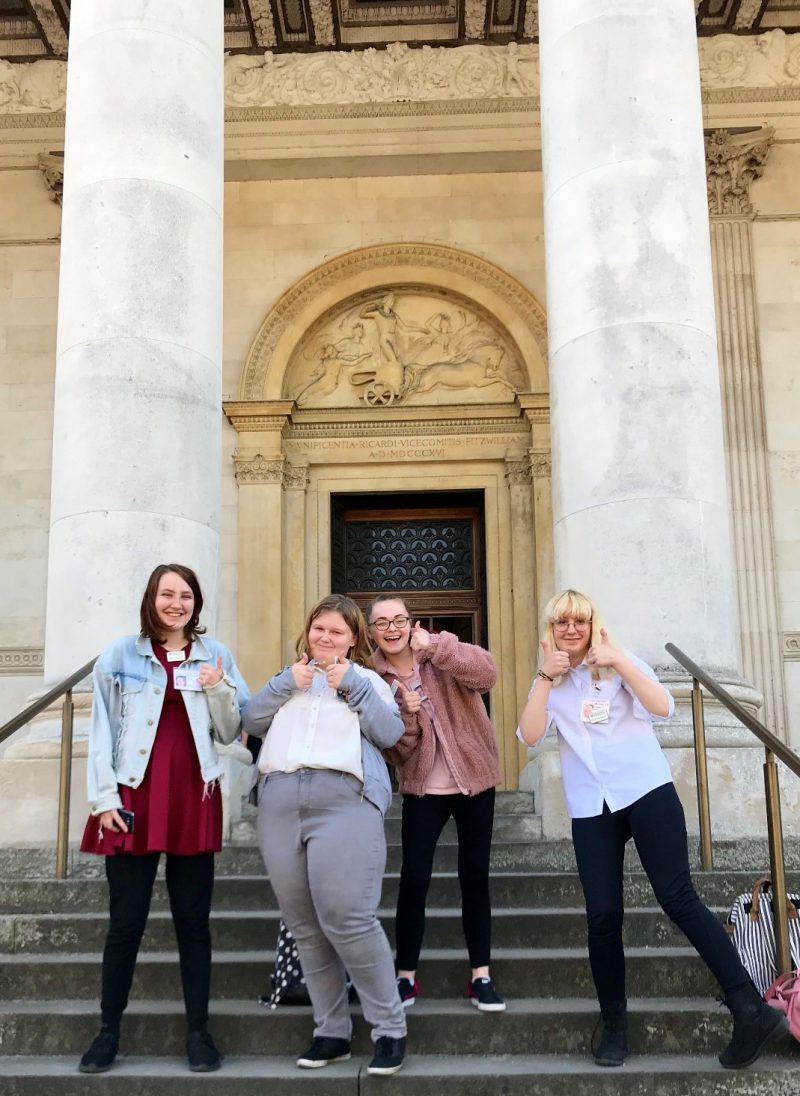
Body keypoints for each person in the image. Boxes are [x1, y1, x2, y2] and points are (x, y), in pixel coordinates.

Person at [517, 588, 788, 1070]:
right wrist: (543, 676)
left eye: (579, 620)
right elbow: (531, 735)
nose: (571, 629)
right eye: (561, 622)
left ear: (592, 623)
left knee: (678, 898)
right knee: (602, 915)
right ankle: (616, 1026)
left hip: (645, 793)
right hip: (591, 807)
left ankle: (750, 1008)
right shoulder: (552, 682)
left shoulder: (620, 663)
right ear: (551, 630)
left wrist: (619, 660)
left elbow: (663, 706)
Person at [78, 563, 250, 1075]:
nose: (177, 603)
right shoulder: (119, 655)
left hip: (193, 798)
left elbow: (231, 730)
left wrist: (219, 687)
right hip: (131, 799)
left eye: (186, 596)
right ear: (151, 598)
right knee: (125, 924)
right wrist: (103, 798)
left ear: (196, 603)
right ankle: (108, 1031)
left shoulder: (216, 655)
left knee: (194, 924)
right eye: (167, 594)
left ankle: (199, 1033)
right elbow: (101, 730)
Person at [242, 594, 408, 1076]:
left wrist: (352, 684)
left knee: (349, 918)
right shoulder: (287, 679)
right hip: (278, 798)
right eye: (320, 629)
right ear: (308, 632)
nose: (326, 638)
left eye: (337, 632)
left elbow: (390, 732)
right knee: (304, 926)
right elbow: (249, 722)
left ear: (354, 639)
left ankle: (389, 1028)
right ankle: (331, 1031)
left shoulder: (370, 679)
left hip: (343, 800)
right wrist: (280, 684)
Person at [368, 596, 505, 1012]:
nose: (392, 628)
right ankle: (405, 976)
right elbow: (397, 750)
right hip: (422, 788)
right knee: (414, 879)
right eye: (381, 623)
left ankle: (481, 976)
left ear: (411, 623)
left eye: (399, 620)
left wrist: (437, 648)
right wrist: (406, 716)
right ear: (371, 631)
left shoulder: (440, 649)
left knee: (474, 876)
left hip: (474, 781)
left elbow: (488, 675)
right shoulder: (374, 676)